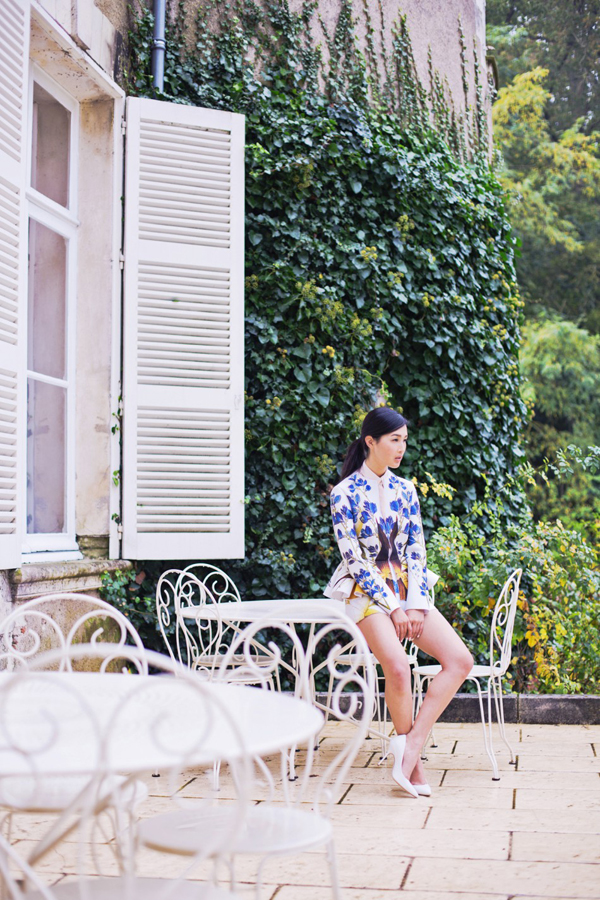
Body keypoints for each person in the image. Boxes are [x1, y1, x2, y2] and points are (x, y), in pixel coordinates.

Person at [325, 406, 473, 797]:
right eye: (394, 440)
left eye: (404, 440)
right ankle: (414, 768)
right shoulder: (343, 494)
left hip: (408, 591)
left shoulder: (406, 490)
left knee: (460, 661)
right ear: (370, 441)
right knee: (398, 667)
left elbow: (417, 552)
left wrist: (415, 604)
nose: (401, 448)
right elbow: (355, 560)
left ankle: (410, 745)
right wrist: (392, 607)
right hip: (366, 595)